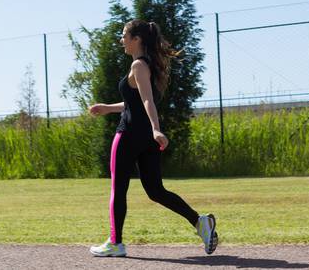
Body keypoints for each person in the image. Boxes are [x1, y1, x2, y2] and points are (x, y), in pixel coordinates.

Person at [88, 19, 218, 257]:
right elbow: (135, 103)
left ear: (136, 39)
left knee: (118, 189)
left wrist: (156, 128)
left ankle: (115, 243)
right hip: (146, 138)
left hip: (128, 136)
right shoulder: (147, 65)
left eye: (124, 35)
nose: (121, 40)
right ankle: (200, 222)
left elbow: (147, 101)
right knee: (156, 191)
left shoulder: (138, 65)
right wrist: (108, 108)